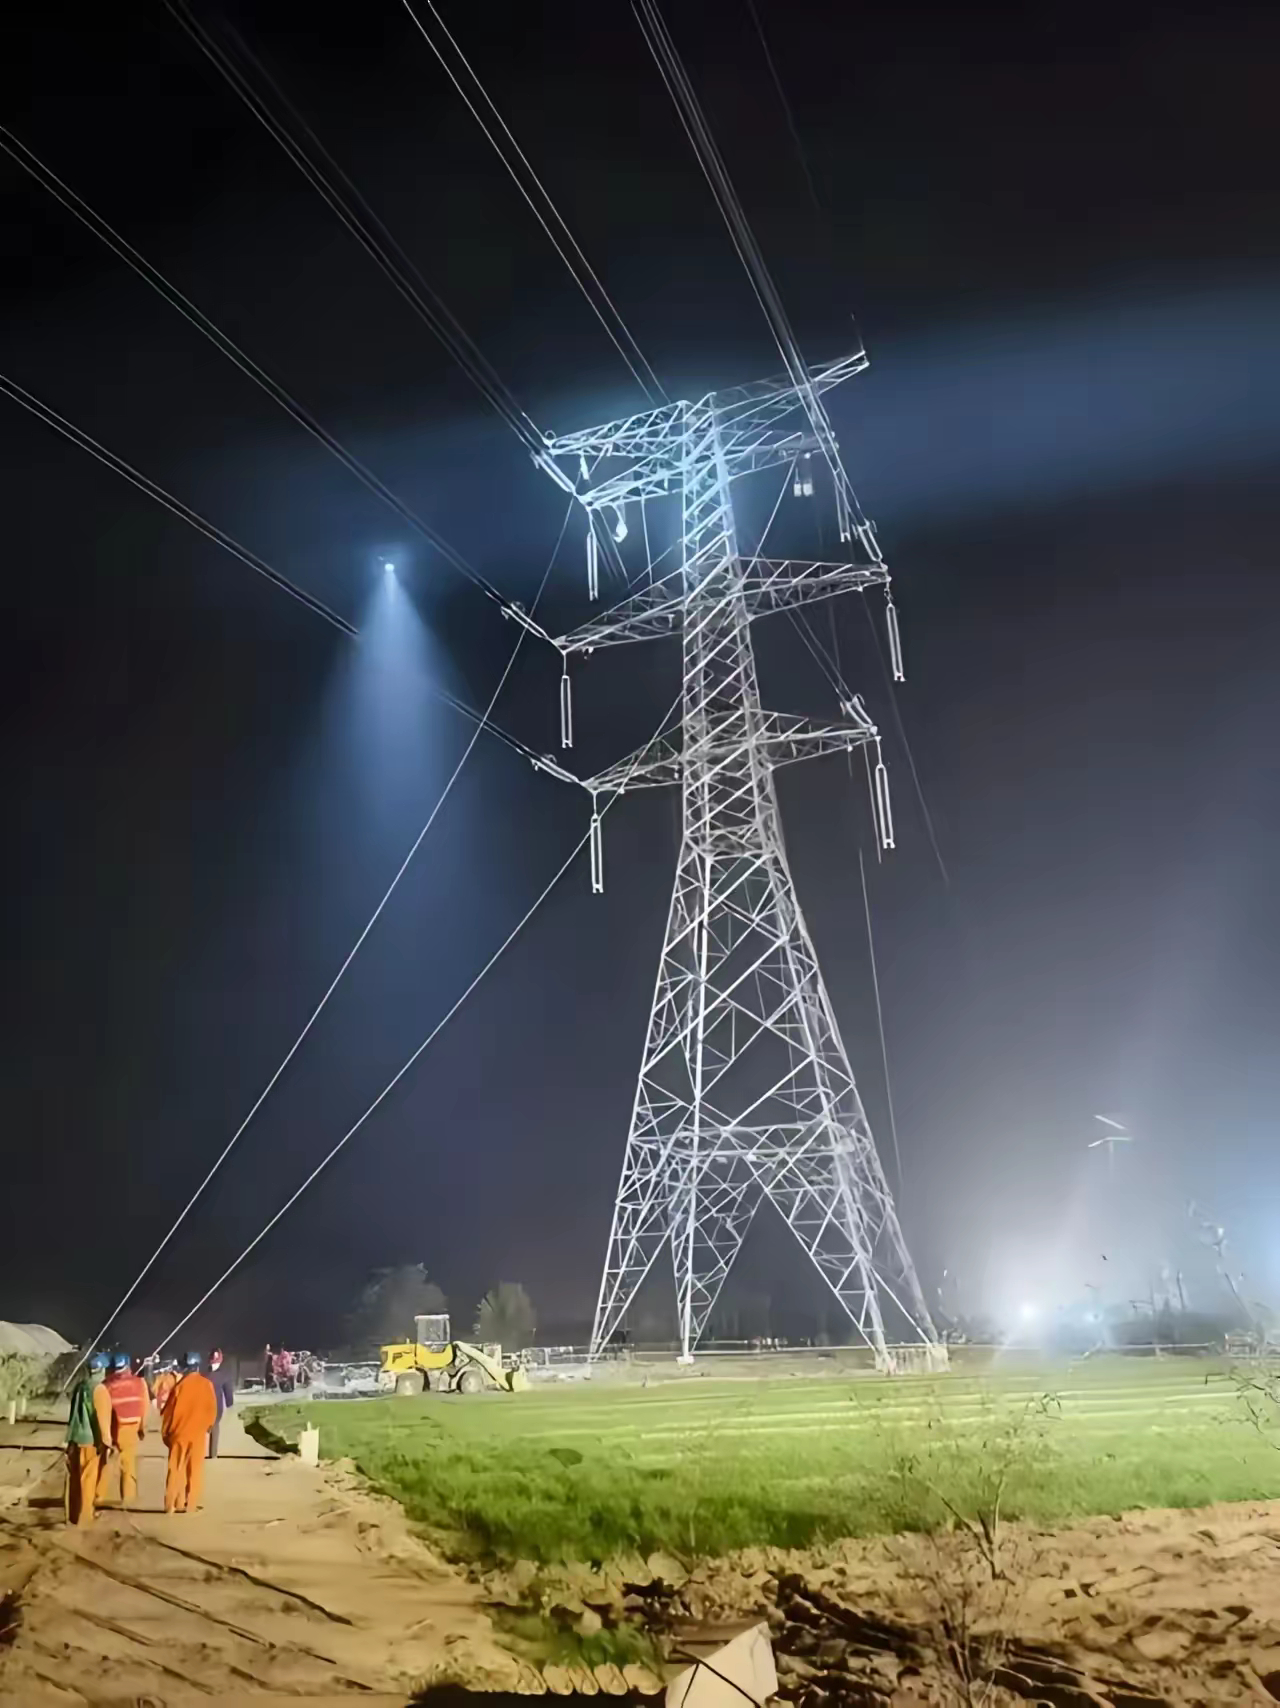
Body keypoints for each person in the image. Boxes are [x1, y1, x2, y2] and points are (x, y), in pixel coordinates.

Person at [161, 1351, 218, 1514]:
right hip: (198, 1435)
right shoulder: (207, 1385)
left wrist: (166, 1435)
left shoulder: (179, 1386)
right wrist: (206, 1427)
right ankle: (190, 1504)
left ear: (185, 1367)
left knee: (175, 1469)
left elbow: (168, 1414)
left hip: (178, 1434)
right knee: (195, 1469)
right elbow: (212, 1411)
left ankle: (171, 1504)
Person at [64, 1353, 112, 1527]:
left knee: (75, 1479)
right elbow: (101, 1417)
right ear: (102, 1370)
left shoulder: (80, 1386)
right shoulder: (99, 1390)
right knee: (88, 1480)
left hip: (75, 1439)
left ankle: (73, 1515)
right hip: (90, 1441)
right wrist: (107, 1441)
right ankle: (85, 1518)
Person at [102, 1353, 149, 1507]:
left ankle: (98, 1494)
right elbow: (144, 1406)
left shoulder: (106, 1384)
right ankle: (128, 1497)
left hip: (114, 1426)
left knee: (107, 1460)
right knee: (128, 1463)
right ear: (128, 1366)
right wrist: (142, 1427)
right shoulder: (139, 1383)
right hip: (131, 1426)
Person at [207, 1349, 234, 1459]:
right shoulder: (224, 1375)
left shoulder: (204, 1373)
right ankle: (213, 1454)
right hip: (215, 1406)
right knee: (214, 1428)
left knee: (204, 1428)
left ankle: (197, 1452)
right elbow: (228, 1390)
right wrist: (229, 1402)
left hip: (205, 1405)